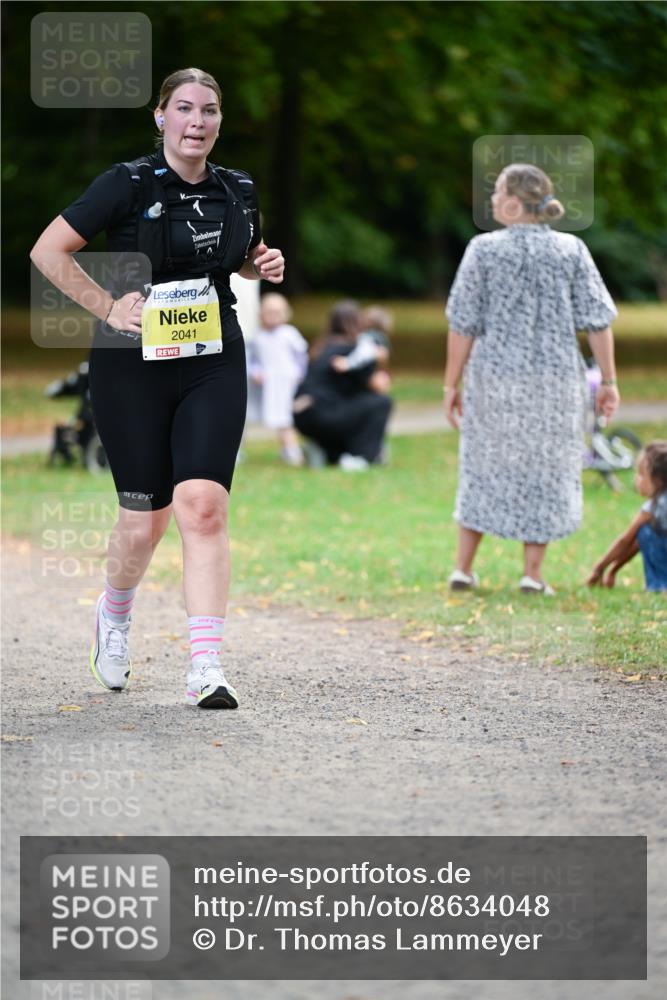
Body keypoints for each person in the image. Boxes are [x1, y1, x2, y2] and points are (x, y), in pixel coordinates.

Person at [30, 67, 285, 709]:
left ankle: (206, 665)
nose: (197, 122)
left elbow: (243, 256)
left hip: (211, 356)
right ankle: (114, 615)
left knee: (201, 505)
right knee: (144, 522)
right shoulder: (126, 182)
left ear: (219, 121)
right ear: (161, 117)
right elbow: (48, 251)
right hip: (130, 363)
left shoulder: (239, 189)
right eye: (185, 110)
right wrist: (107, 306)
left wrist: (261, 263)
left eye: (209, 111)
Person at [443, 162, 619, 595]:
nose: (491, 200)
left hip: (494, 379)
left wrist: (451, 384)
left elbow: (462, 323)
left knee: (483, 465)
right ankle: (532, 575)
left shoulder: (482, 250)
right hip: (556, 381)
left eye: (497, 192)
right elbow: (598, 321)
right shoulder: (571, 251)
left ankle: (463, 569)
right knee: (546, 468)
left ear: (515, 202)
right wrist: (609, 381)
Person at [293, 301, 392, 470]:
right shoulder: (354, 349)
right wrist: (380, 361)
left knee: (352, 408)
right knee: (381, 403)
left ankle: (325, 452)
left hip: (302, 415)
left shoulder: (321, 347)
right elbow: (379, 386)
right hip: (326, 413)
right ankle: (360, 456)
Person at [588, 442, 667, 592]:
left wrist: (599, 568)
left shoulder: (651, 508)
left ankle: (660, 585)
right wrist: (614, 570)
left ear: (658, 480)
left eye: (641, 475)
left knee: (646, 532)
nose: (636, 480)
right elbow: (636, 543)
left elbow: (626, 541)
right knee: (648, 532)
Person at [248, 293, 308, 465]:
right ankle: (238, 452)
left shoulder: (289, 334)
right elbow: (254, 360)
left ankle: (292, 451)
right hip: (267, 382)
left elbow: (301, 356)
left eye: (277, 312)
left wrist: (299, 373)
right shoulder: (258, 336)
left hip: (285, 380)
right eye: (269, 312)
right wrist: (256, 372)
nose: (273, 316)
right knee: (262, 415)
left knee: (284, 417)